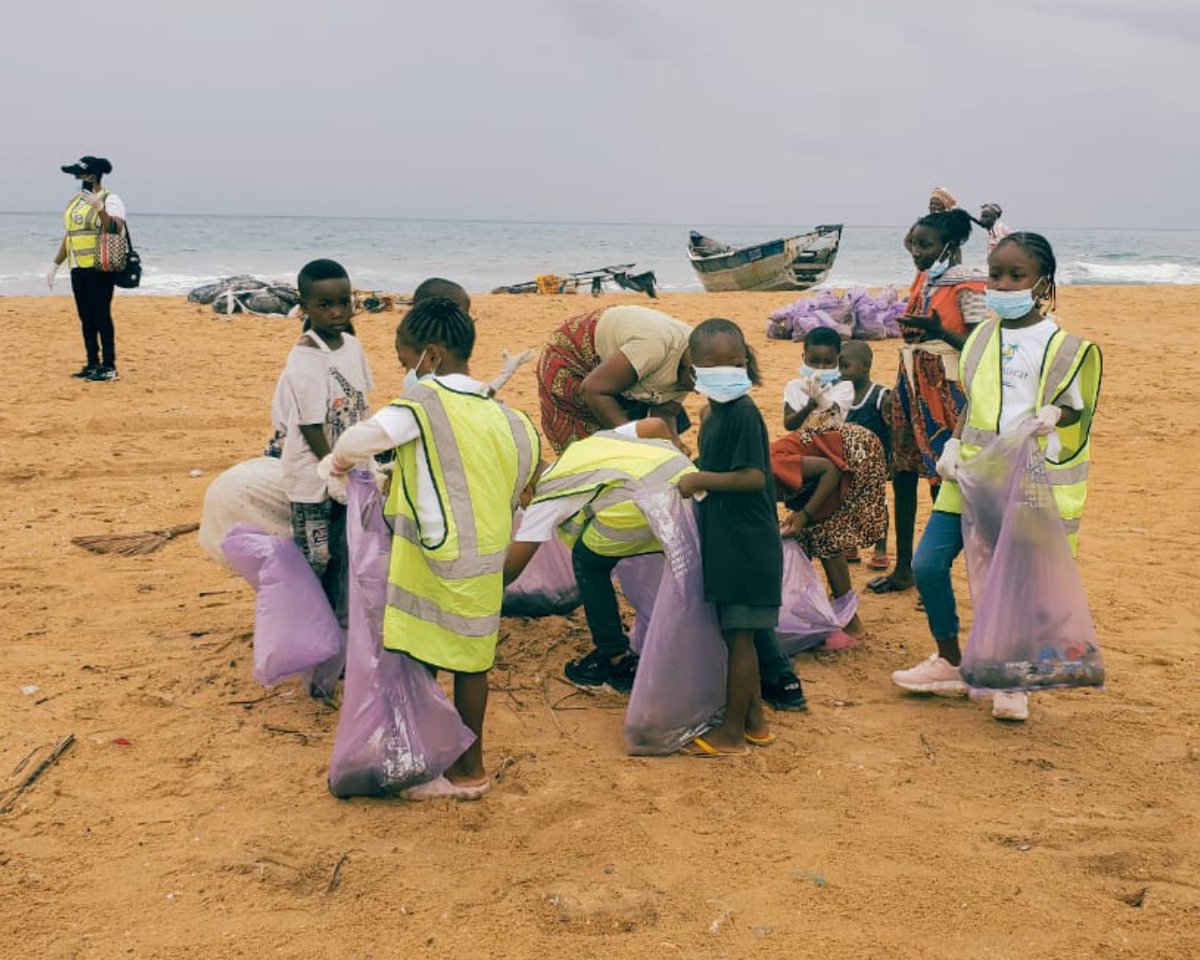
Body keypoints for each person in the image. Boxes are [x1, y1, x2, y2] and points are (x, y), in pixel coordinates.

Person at [323, 297, 540, 799]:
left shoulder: (423, 404)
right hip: (486, 561)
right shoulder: (507, 417)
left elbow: (364, 438)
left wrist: (334, 465)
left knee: (419, 653)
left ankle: (431, 762)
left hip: (431, 561)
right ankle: (471, 768)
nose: (406, 374)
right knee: (472, 664)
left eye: (406, 363)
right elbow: (516, 482)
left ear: (431, 355)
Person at [892, 232, 1101, 722]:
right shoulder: (983, 337)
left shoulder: (1064, 347)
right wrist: (950, 442)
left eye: (1016, 276)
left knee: (1015, 580)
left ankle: (1012, 680)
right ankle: (950, 659)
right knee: (927, 564)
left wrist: (1054, 416)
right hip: (969, 474)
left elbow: (1076, 414)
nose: (1002, 285)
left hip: (1026, 483)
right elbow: (974, 402)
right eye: (995, 275)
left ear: (1041, 282)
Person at [503, 424, 808, 710]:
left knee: (588, 561)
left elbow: (512, 570)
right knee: (715, 573)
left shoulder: (547, 496)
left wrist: (478, 591)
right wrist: (677, 451)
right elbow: (655, 427)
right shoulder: (586, 447)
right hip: (693, 484)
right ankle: (781, 678)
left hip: (660, 504)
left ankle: (614, 658)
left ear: (525, 489)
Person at [675, 318, 783, 755]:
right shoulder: (713, 413)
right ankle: (755, 721)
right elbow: (719, 463)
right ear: (693, 368)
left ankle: (732, 734)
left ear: (745, 362)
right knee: (738, 635)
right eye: (711, 364)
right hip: (728, 540)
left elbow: (754, 477)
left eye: (732, 362)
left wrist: (700, 477)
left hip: (749, 545)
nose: (724, 370)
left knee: (740, 638)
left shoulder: (742, 413)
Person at [868, 210, 987, 596]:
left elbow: (979, 346)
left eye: (925, 245)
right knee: (902, 474)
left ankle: (935, 578)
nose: (916, 251)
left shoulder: (969, 285)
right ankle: (905, 568)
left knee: (943, 478)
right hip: (910, 380)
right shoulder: (927, 276)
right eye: (915, 243)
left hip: (944, 387)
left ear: (948, 246)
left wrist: (939, 333)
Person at [272, 259, 373, 635]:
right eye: (325, 305)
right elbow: (311, 426)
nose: (336, 312)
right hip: (314, 478)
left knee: (346, 552)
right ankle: (306, 628)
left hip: (349, 473)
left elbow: (360, 409)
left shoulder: (352, 346)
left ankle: (339, 626)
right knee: (316, 558)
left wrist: (361, 465)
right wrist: (335, 467)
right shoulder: (306, 358)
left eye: (344, 302)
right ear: (305, 307)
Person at [537, 305, 695, 454]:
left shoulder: (697, 360)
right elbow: (592, 390)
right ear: (691, 370)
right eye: (698, 387)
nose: (696, 393)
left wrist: (673, 444)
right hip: (576, 361)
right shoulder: (653, 347)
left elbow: (664, 411)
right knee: (591, 452)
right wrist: (633, 443)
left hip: (623, 371)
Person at [49, 156, 126, 382]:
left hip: (100, 267)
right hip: (78, 268)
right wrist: (55, 263)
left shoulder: (111, 199)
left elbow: (115, 226)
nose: (76, 177)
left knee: (102, 315)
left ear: (90, 175)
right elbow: (71, 235)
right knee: (86, 317)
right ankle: (93, 363)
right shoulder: (75, 202)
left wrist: (100, 208)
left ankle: (109, 365)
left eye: (79, 173)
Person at [840, 340, 893, 570]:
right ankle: (851, 544)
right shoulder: (839, 397)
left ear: (865, 366)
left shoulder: (880, 396)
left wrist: (891, 459)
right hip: (845, 462)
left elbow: (892, 429)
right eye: (838, 366)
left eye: (846, 366)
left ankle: (880, 548)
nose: (840, 372)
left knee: (876, 505)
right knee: (846, 502)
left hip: (874, 463)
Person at [782, 327, 853, 432]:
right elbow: (789, 425)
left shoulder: (844, 387)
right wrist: (808, 408)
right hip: (801, 444)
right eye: (813, 361)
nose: (820, 368)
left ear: (839, 360)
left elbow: (834, 418)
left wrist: (820, 400)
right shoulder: (794, 387)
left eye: (828, 362)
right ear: (804, 357)